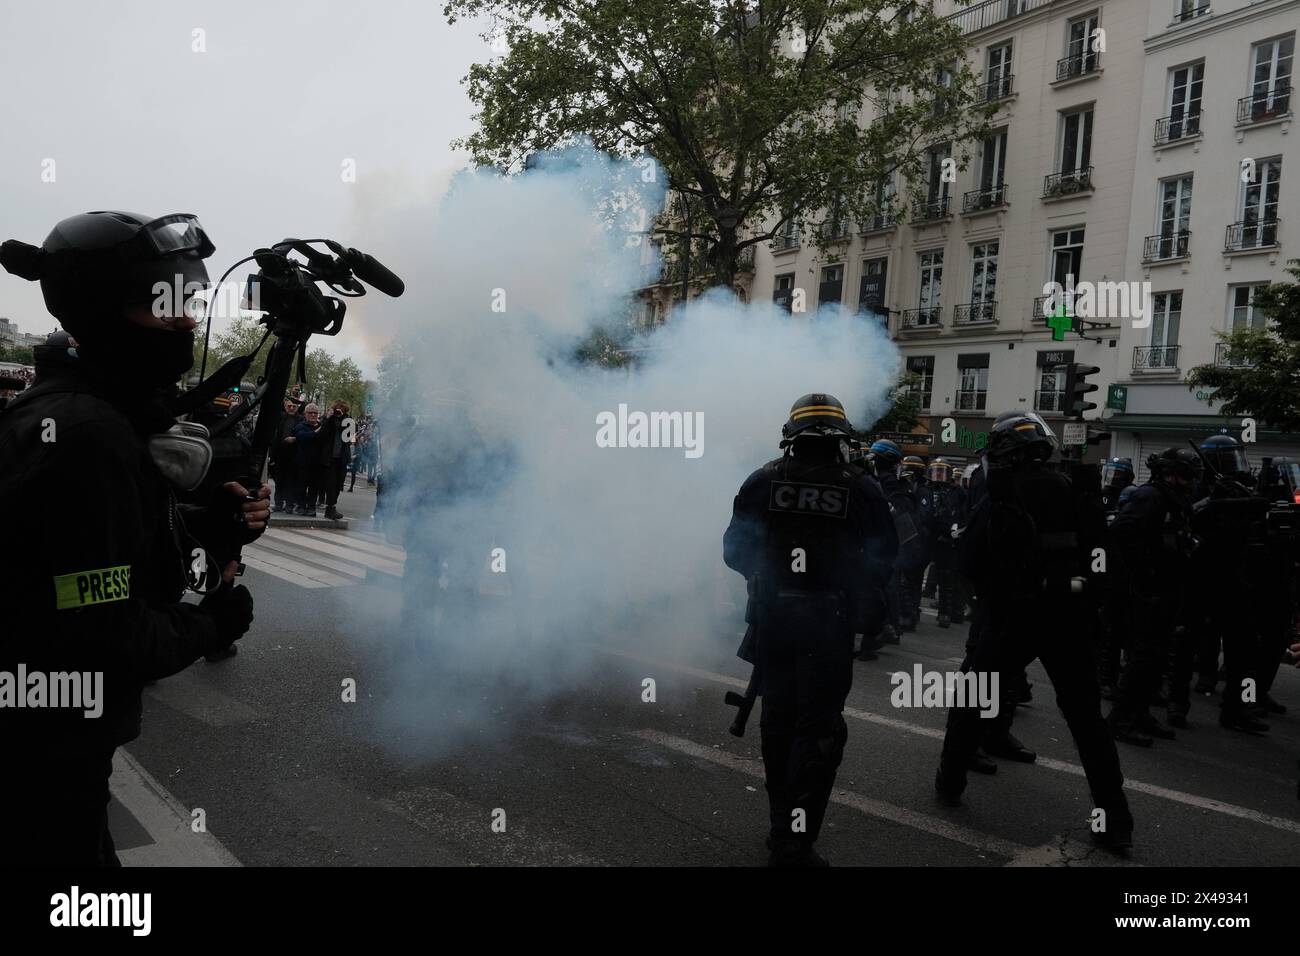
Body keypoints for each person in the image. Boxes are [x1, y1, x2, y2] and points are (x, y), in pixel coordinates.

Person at [0, 210, 268, 865]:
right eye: (164, 304)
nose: (186, 321)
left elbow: (75, 547)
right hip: (44, 748)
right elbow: (103, 633)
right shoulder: (87, 435)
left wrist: (205, 522)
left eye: (189, 303)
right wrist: (212, 623)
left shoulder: (81, 414)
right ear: (104, 310)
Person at [935, 412, 1133, 850]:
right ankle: (1114, 820)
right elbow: (1106, 562)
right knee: (1086, 723)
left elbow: (967, 560)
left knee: (972, 697)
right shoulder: (1078, 491)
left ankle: (950, 782)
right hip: (1069, 619)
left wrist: (995, 594)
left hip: (1011, 619)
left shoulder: (1001, 495)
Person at [724, 394, 896, 866]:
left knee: (777, 725)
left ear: (791, 435)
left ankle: (782, 827)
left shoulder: (763, 479)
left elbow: (734, 551)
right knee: (818, 733)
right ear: (841, 438)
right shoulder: (861, 488)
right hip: (828, 625)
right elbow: (884, 561)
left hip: (774, 621)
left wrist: (771, 578)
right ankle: (796, 840)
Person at [1107, 448, 1200, 743]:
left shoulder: (1176, 500)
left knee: (1157, 657)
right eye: (1184, 474)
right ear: (1168, 472)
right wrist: (1144, 570)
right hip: (1149, 591)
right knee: (1143, 657)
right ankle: (1120, 719)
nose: (1188, 481)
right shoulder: (1150, 496)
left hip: (1168, 589)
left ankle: (1141, 712)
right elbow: (1122, 532)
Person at [318, 399, 353, 521]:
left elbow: (349, 438)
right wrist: (331, 418)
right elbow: (322, 434)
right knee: (331, 484)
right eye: (338, 409)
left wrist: (343, 420)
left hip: (342, 459)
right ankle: (330, 507)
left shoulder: (349, 421)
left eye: (341, 410)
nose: (339, 411)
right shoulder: (329, 421)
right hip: (330, 458)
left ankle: (332, 506)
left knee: (338, 485)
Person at [271, 396, 303, 513]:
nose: (291, 408)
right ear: (285, 407)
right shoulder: (281, 417)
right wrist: (272, 455)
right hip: (280, 453)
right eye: (289, 406)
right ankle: (278, 503)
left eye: (293, 406)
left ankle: (289, 504)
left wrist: (295, 439)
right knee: (279, 480)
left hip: (294, 455)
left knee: (291, 481)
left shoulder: (300, 419)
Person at [294, 403, 324, 516]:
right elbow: (302, 437)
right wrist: (317, 431)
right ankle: (301, 506)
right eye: (310, 413)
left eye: (315, 413)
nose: (313, 415)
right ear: (305, 414)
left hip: (317, 462)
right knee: (301, 486)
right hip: (303, 462)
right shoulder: (300, 426)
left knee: (314, 487)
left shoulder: (322, 426)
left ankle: (311, 507)